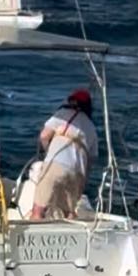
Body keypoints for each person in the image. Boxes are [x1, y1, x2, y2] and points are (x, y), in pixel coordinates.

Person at [30, 88, 99, 220]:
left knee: (38, 210)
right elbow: (91, 159)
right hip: (77, 173)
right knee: (69, 213)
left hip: (56, 164)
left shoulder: (62, 114)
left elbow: (44, 136)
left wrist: (48, 152)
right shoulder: (91, 127)